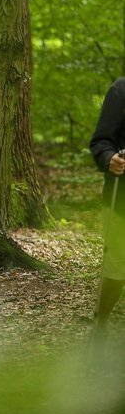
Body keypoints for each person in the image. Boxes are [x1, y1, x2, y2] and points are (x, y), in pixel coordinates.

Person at [89, 76, 125, 356]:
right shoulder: (121, 90)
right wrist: (109, 158)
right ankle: (100, 324)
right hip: (121, 200)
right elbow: (101, 141)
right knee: (117, 266)